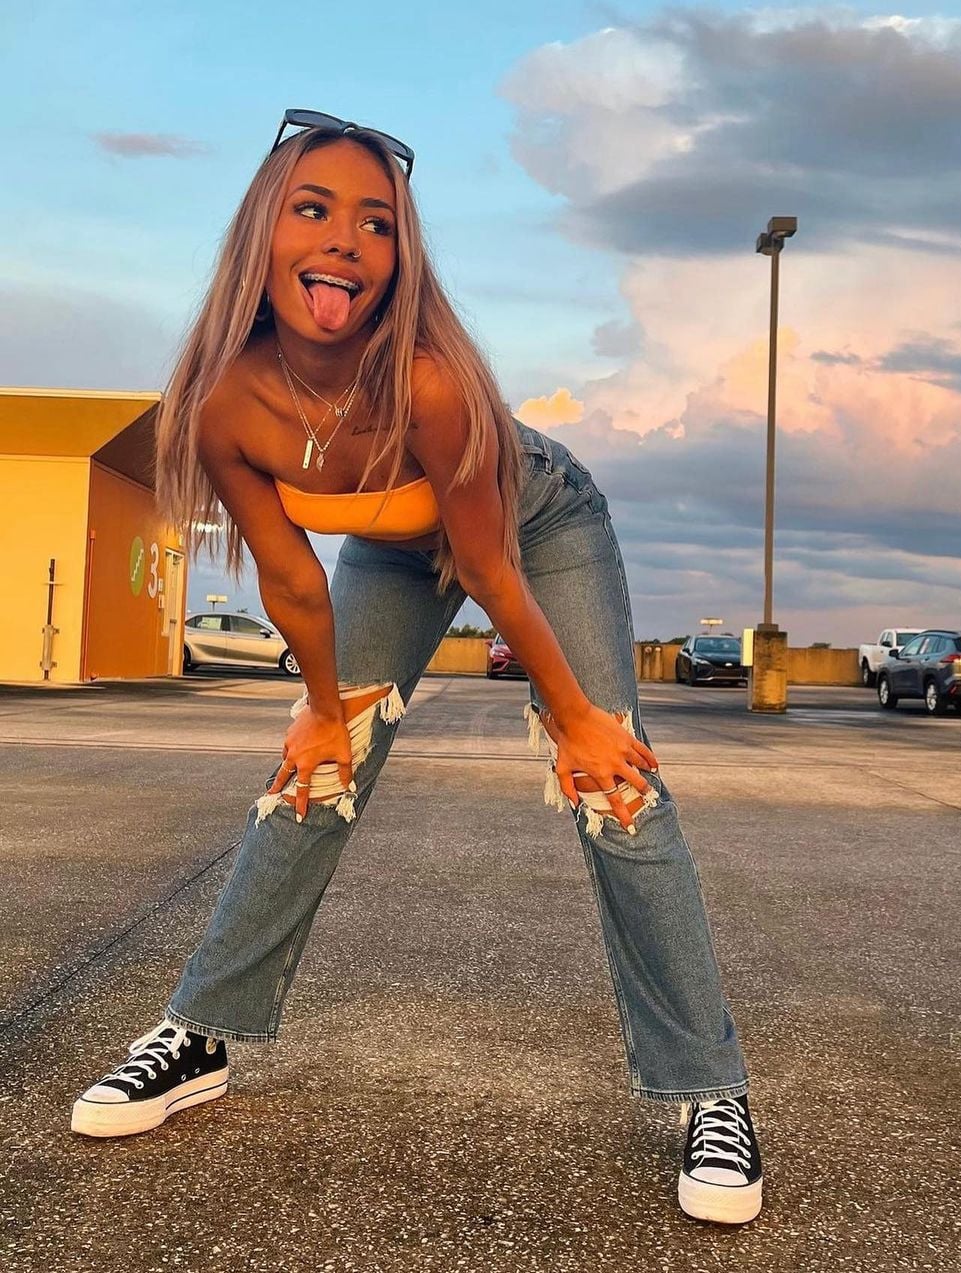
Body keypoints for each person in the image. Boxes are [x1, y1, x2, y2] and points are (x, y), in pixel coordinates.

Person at [70, 110, 763, 1225]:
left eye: (376, 223)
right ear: (262, 231)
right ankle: (200, 1031)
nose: (345, 240)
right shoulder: (225, 406)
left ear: (399, 258)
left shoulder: (431, 383)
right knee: (311, 772)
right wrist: (320, 709)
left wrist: (577, 717)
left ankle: (710, 1086)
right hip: (395, 549)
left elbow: (489, 571)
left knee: (616, 783)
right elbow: (292, 582)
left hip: (534, 524)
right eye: (314, 209)